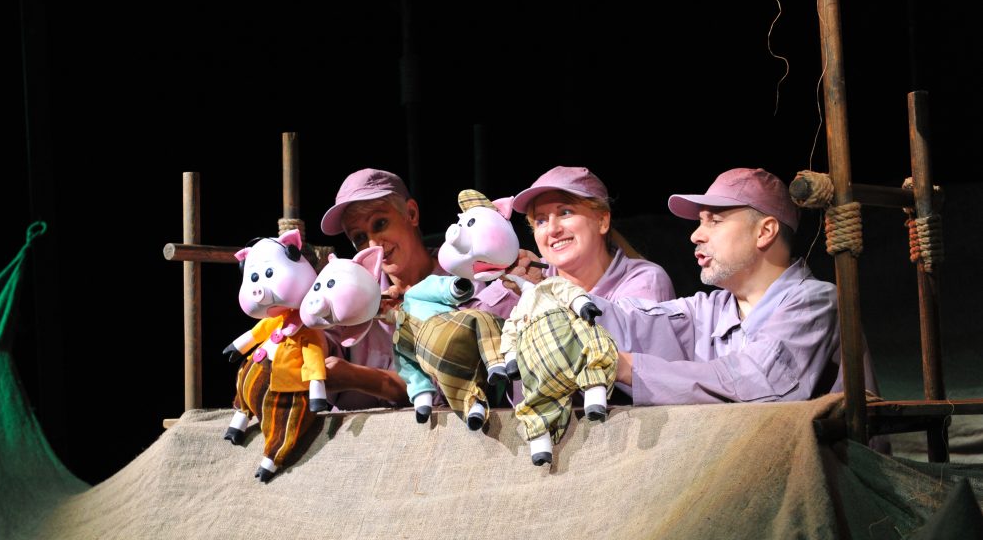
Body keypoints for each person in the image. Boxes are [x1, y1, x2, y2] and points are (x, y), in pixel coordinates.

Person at [584, 167, 878, 405]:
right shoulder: (711, 310)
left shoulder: (815, 303)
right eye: (700, 222)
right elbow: (635, 322)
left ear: (765, 231)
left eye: (714, 221)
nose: (696, 235)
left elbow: (757, 382)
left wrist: (628, 368)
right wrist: (565, 307)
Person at [317, 168, 513, 410]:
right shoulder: (352, 296)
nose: (373, 244)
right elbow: (324, 340)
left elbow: (456, 378)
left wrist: (359, 378)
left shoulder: (468, 280)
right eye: (359, 237)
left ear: (411, 213)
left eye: (380, 224)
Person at [501, 165, 677, 303]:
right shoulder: (530, 273)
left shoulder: (645, 281)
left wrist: (540, 293)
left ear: (602, 221)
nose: (552, 229)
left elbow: (597, 336)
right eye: (541, 221)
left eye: (565, 213)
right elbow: (483, 316)